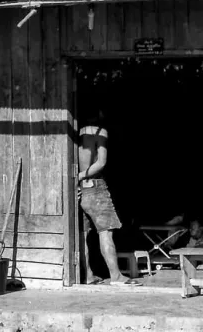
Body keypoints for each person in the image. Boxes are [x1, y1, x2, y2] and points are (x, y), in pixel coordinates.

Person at [78, 110, 141, 286]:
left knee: (83, 235)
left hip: (78, 189)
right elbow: (101, 162)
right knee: (105, 233)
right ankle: (116, 276)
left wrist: (76, 179)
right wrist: (82, 175)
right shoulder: (100, 132)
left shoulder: (76, 133)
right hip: (95, 187)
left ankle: (88, 275)